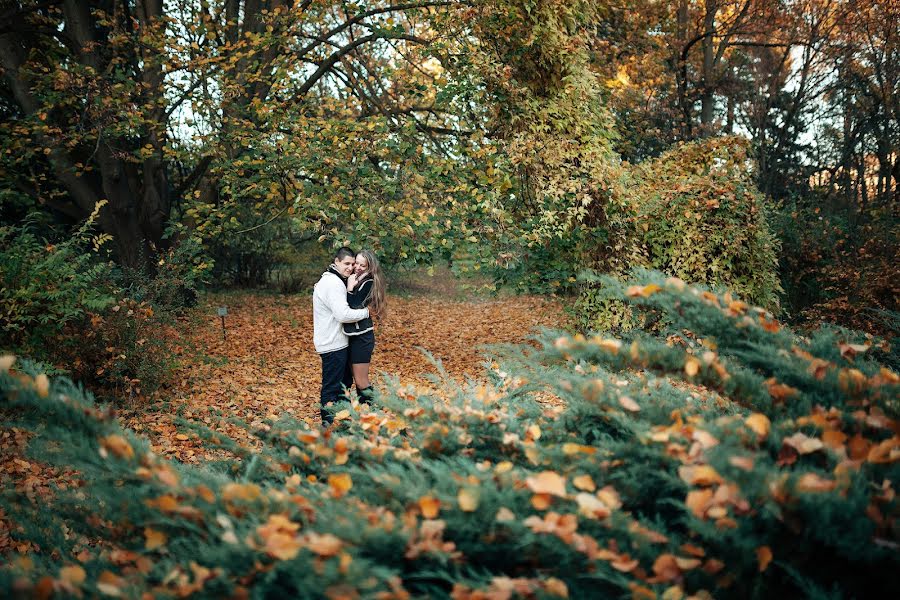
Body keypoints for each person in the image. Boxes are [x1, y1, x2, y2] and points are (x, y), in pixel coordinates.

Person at [312, 247, 369, 424]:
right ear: (336, 261)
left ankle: (343, 423)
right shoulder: (333, 283)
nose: (351, 267)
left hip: (337, 343)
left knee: (343, 385)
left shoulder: (334, 280)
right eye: (346, 263)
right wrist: (366, 313)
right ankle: (327, 425)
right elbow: (343, 314)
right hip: (332, 345)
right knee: (332, 387)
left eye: (353, 264)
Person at [344, 249, 386, 402]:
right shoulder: (356, 278)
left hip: (362, 338)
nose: (358, 267)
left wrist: (349, 287)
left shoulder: (368, 282)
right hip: (352, 336)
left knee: (361, 382)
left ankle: (377, 415)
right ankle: (366, 418)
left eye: (363, 265)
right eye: (357, 263)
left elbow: (354, 304)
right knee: (353, 381)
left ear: (370, 267)